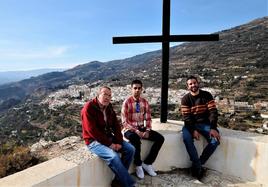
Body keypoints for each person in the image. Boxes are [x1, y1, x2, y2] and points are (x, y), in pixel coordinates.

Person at [81, 86, 136, 187]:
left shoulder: (109, 107)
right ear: (98, 95)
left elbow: (116, 125)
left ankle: (118, 181)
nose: (107, 97)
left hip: (108, 137)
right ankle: (129, 184)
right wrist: (110, 145)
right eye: (105, 94)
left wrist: (119, 142)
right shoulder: (89, 108)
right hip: (93, 141)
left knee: (130, 149)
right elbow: (92, 131)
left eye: (109, 95)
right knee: (113, 157)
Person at [121, 80, 165, 179]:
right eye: (135, 88)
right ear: (131, 89)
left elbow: (148, 118)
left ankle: (148, 163)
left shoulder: (144, 102)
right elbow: (124, 122)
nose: (137, 90)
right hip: (129, 129)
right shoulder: (127, 102)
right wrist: (136, 131)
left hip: (141, 127)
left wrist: (147, 130)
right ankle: (138, 165)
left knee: (160, 138)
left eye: (139, 88)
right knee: (135, 139)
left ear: (142, 89)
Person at [181, 75, 221, 180]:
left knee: (215, 141)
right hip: (190, 125)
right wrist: (193, 130)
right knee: (187, 139)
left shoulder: (206, 95)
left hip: (205, 124)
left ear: (198, 83)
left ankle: (197, 164)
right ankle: (198, 166)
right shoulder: (185, 99)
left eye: (194, 83)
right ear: (187, 86)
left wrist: (213, 128)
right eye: (190, 84)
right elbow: (187, 118)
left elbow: (213, 112)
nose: (193, 85)